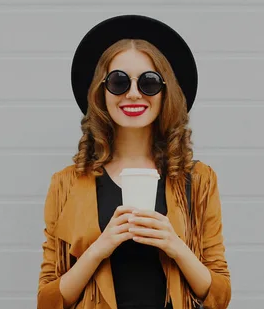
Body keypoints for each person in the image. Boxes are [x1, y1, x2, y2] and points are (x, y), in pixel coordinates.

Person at [37, 15, 231, 309]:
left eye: (149, 82)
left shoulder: (199, 180)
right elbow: (47, 302)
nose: (133, 93)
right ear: (101, 92)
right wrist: (98, 249)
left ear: (166, 92)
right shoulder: (67, 183)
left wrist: (175, 245)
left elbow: (220, 296)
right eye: (118, 81)